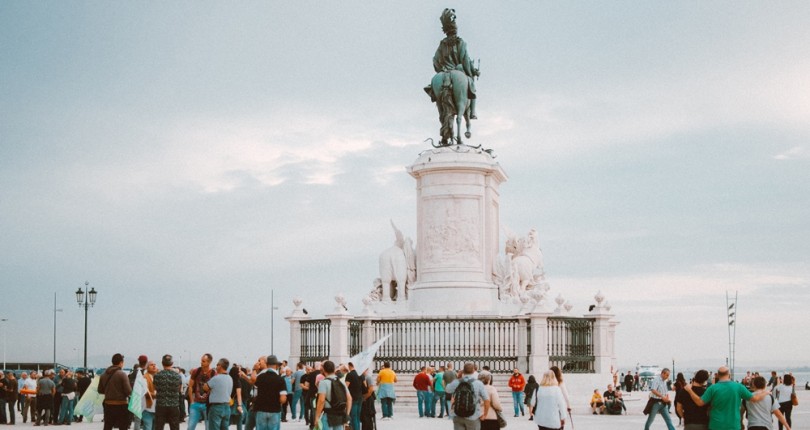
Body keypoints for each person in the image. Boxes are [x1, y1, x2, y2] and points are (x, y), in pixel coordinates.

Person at [683, 366, 771, 430]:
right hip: (733, 425)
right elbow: (754, 399)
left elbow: (700, 402)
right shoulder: (738, 387)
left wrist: (689, 390)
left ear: (718, 375)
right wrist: (765, 392)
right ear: (729, 374)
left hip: (716, 425)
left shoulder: (712, 388)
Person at [445, 363, 490, 430]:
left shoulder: (457, 382)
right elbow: (487, 400)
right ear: (473, 371)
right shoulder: (478, 383)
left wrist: (458, 378)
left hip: (458, 414)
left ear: (463, 371)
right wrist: (485, 414)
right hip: (473, 415)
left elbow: (447, 389)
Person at [314, 361, 351, 430]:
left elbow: (321, 401)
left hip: (328, 415)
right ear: (334, 369)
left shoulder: (323, 383)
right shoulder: (341, 381)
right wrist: (347, 414)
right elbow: (349, 398)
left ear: (324, 370)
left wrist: (317, 417)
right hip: (339, 415)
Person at [99, 354, 132, 430]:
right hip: (121, 405)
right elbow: (128, 391)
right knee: (123, 427)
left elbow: (100, 390)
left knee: (107, 426)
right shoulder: (122, 374)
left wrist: (109, 392)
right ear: (121, 363)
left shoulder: (103, 375)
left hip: (108, 404)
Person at [253, 355, 286, 430]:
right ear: (276, 365)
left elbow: (254, 390)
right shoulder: (280, 379)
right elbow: (283, 398)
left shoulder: (260, 377)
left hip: (261, 410)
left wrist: (254, 369)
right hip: (274, 410)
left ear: (267, 365)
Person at [187, 354, 216, 430]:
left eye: (203, 361)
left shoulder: (213, 373)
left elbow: (215, 389)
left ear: (209, 362)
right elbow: (190, 386)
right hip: (196, 403)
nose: (201, 362)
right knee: (190, 427)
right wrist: (192, 401)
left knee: (208, 427)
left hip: (208, 404)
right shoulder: (196, 371)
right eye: (201, 360)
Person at [154, 354, 182, 430]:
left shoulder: (157, 375)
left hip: (160, 405)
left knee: (159, 427)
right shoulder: (177, 376)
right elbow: (179, 389)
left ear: (162, 363)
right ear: (172, 363)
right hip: (174, 405)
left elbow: (155, 388)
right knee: (174, 427)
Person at [344, 362, 363, 430]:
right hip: (360, 397)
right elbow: (364, 385)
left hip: (352, 397)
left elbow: (346, 386)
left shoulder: (349, 374)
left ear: (349, 365)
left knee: (353, 416)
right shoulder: (360, 374)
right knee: (358, 416)